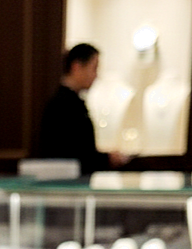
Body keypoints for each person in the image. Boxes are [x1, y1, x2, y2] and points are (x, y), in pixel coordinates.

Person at [38, 43, 127, 175]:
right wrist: (107, 158)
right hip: (68, 180)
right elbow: (72, 152)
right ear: (77, 67)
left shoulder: (73, 102)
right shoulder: (63, 104)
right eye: (94, 68)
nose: (96, 76)